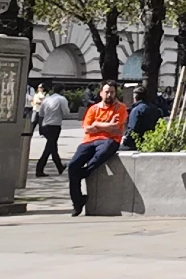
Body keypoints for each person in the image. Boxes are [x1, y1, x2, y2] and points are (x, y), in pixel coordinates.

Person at [68, 82, 128, 216]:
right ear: (101, 93)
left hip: (109, 141)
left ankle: (85, 172)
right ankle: (78, 201)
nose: (109, 95)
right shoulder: (93, 108)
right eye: (106, 92)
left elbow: (116, 128)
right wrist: (105, 125)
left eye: (112, 92)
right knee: (72, 166)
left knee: (103, 153)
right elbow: (87, 128)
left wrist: (97, 124)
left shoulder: (120, 108)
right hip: (90, 140)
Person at [32, 83, 70, 177]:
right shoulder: (62, 99)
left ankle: (58, 166)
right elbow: (66, 113)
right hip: (55, 125)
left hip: (45, 125)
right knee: (51, 147)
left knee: (51, 146)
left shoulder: (46, 99)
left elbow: (41, 114)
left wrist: (41, 127)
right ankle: (41, 168)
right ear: (62, 91)